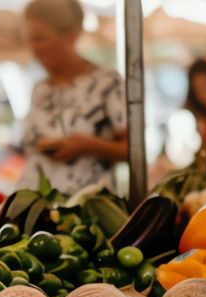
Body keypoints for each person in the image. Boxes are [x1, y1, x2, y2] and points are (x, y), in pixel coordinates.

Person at [16, 0, 129, 193]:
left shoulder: (106, 82)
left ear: (71, 37)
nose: (34, 49)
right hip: (33, 206)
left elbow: (132, 151)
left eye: (40, 39)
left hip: (84, 211)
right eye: (29, 39)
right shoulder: (40, 89)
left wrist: (90, 145)